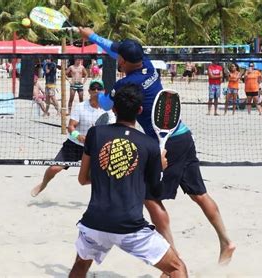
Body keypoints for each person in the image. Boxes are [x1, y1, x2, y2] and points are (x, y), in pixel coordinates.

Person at [79, 27, 236, 265]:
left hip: (168, 143)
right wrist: (91, 36)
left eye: (120, 57)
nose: (117, 58)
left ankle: (173, 256)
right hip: (183, 135)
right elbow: (113, 49)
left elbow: (105, 104)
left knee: (150, 197)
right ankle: (226, 241)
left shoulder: (128, 85)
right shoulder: (148, 64)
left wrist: (95, 96)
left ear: (123, 61)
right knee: (199, 194)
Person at [69, 84, 187, 277]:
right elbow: (156, 192)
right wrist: (160, 167)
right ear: (140, 111)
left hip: (94, 222)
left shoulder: (95, 134)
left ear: (113, 108)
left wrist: (110, 174)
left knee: (80, 266)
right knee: (177, 268)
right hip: (129, 226)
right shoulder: (149, 145)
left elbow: (83, 179)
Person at [31, 80, 113, 197]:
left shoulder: (108, 110)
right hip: (74, 145)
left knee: (94, 177)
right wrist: (78, 136)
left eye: (99, 88)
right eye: (93, 88)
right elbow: (70, 127)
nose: (96, 90)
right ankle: (43, 184)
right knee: (54, 168)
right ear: (89, 91)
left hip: (95, 147)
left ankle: (103, 197)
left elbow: (112, 130)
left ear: (103, 91)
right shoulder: (81, 107)